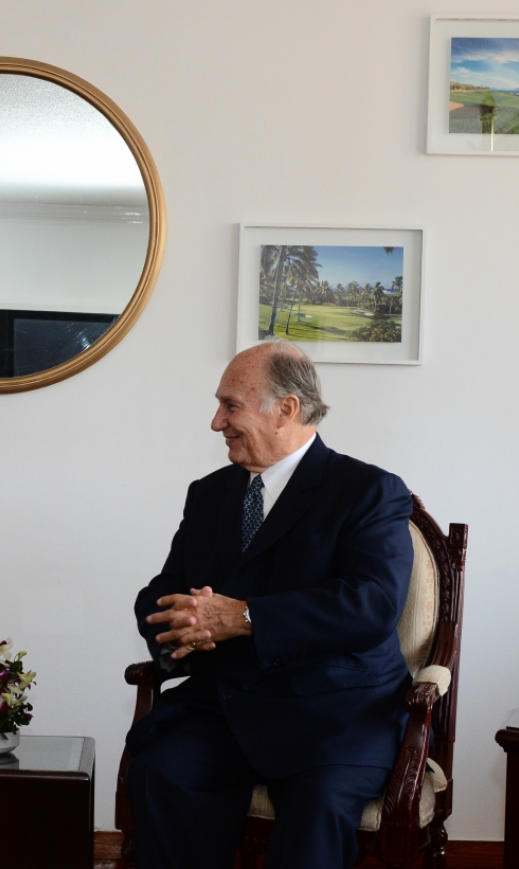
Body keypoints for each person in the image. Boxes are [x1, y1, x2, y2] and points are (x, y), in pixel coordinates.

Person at [127, 341, 414, 869]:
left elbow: (372, 604)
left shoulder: (368, 490)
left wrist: (245, 617)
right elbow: (161, 592)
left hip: (334, 714)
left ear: (286, 408)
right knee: (160, 773)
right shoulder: (210, 494)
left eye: (231, 405)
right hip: (230, 705)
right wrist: (186, 624)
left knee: (316, 816)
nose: (217, 422)